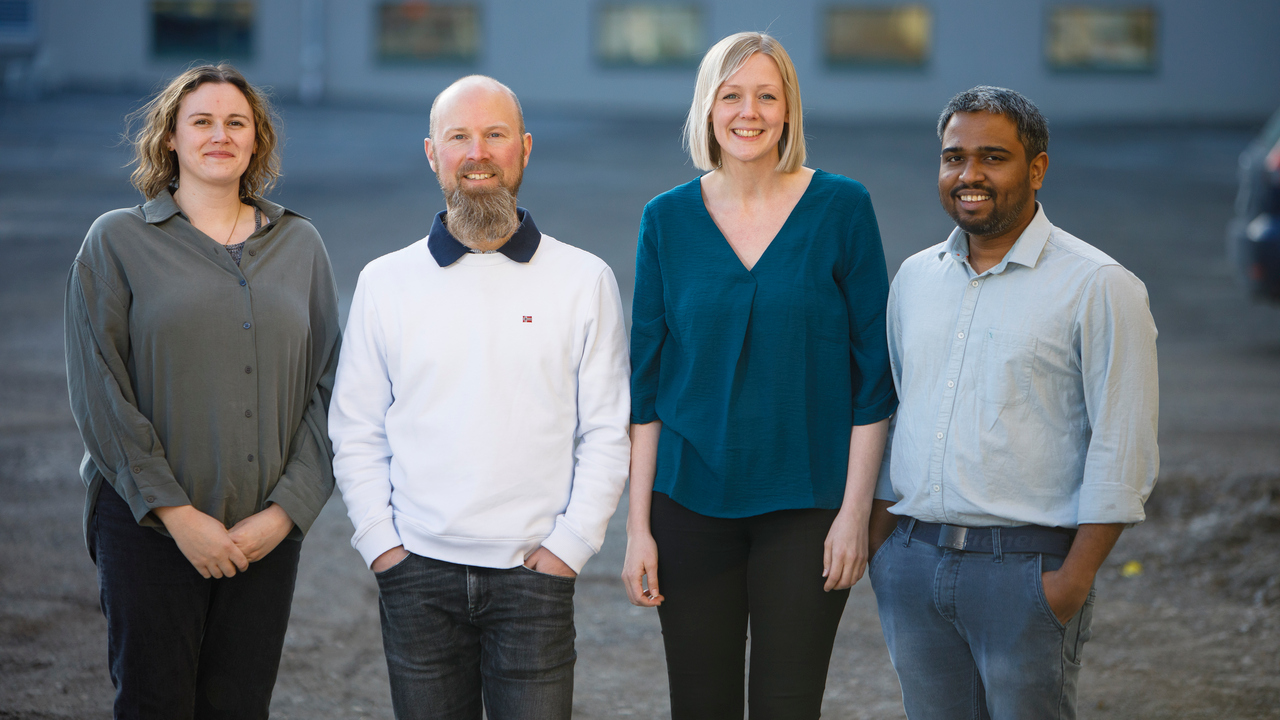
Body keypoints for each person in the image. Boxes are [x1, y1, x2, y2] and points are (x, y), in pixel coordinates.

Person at [328, 75, 630, 720]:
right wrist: (383, 545)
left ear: (523, 149)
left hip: (535, 576)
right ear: (433, 153)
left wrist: (570, 547)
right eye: (459, 136)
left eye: (495, 135)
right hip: (417, 576)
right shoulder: (385, 282)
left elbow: (606, 430)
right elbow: (356, 429)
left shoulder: (583, 279)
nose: (478, 152)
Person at [622, 32, 897, 719]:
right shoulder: (666, 220)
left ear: (788, 110)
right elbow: (645, 388)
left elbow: (873, 379)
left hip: (807, 506)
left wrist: (854, 516)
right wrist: (637, 530)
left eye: (766, 96)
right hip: (686, 504)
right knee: (700, 704)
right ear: (708, 107)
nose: (749, 111)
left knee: (788, 704)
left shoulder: (842, 208)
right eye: (732, 94)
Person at [868, 86, 1159, 720]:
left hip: (1027, 572)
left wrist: (1069, 583)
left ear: (1036, 168)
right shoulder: (914, 279)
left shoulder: (1100, 286)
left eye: (992, 157)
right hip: (912, 567)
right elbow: (898, 416)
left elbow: (1124, 446)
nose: (968, 175)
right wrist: (881, 551)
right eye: (953, 157)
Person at [64, 64, 341, 718]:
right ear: (170, 139)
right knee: (155, 704)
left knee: (239, 707)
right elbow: (99, 388)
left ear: (256, 141)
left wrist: (283, 515)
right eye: (202, 121)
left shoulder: (300, 244)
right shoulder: (117, 242)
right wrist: (178, 517)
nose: (220, 135)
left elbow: (330, 388)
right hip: (149, 529)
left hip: (265, 538)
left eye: (236, 123)